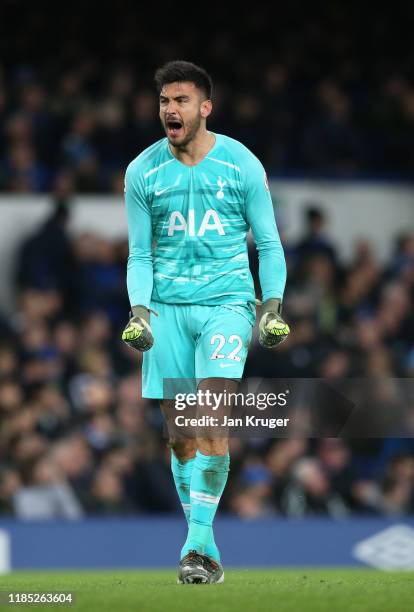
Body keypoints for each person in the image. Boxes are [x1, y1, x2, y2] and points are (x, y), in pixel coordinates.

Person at [121, 60, 289, 584]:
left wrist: (272, 306)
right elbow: (139, 254)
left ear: (205, 107)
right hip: (167, 310)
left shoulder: (241, 164)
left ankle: (196, 546)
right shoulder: (141, 172)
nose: (171, 109)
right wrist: (139, 311)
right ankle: (205, 541)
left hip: (227, 304)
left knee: (210, 420)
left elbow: (268, 244)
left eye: (182, 100)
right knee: (179, 435)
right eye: (165, 101)